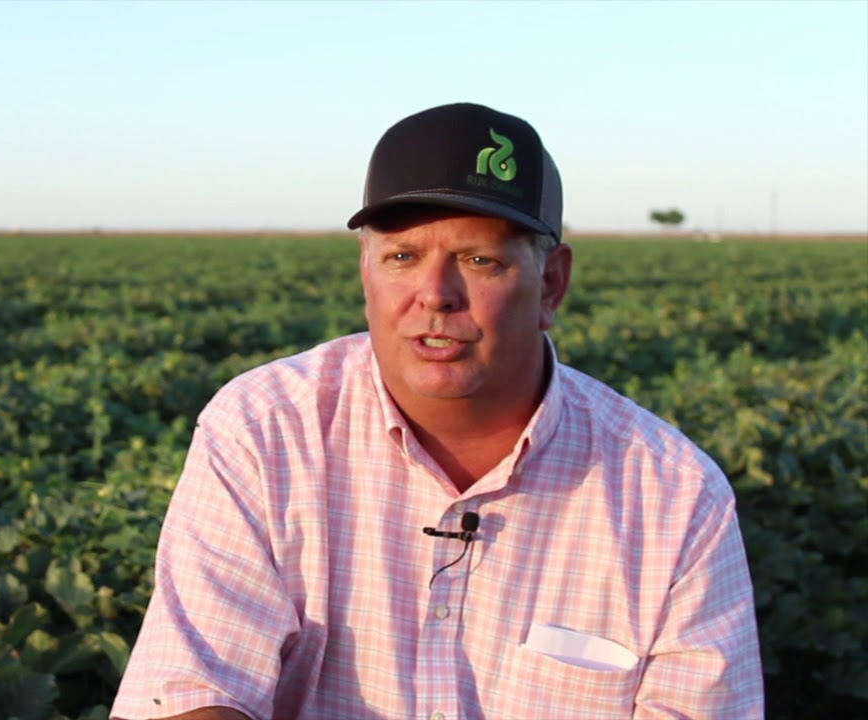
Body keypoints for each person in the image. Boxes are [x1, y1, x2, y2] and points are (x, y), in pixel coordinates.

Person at [110, 103, 764, 719]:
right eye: (402, 257)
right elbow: (192, 687)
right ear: (364, 271)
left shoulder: (676, 498)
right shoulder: (265, 430)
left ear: (551, 284)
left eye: (479, 260)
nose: (435, 295)